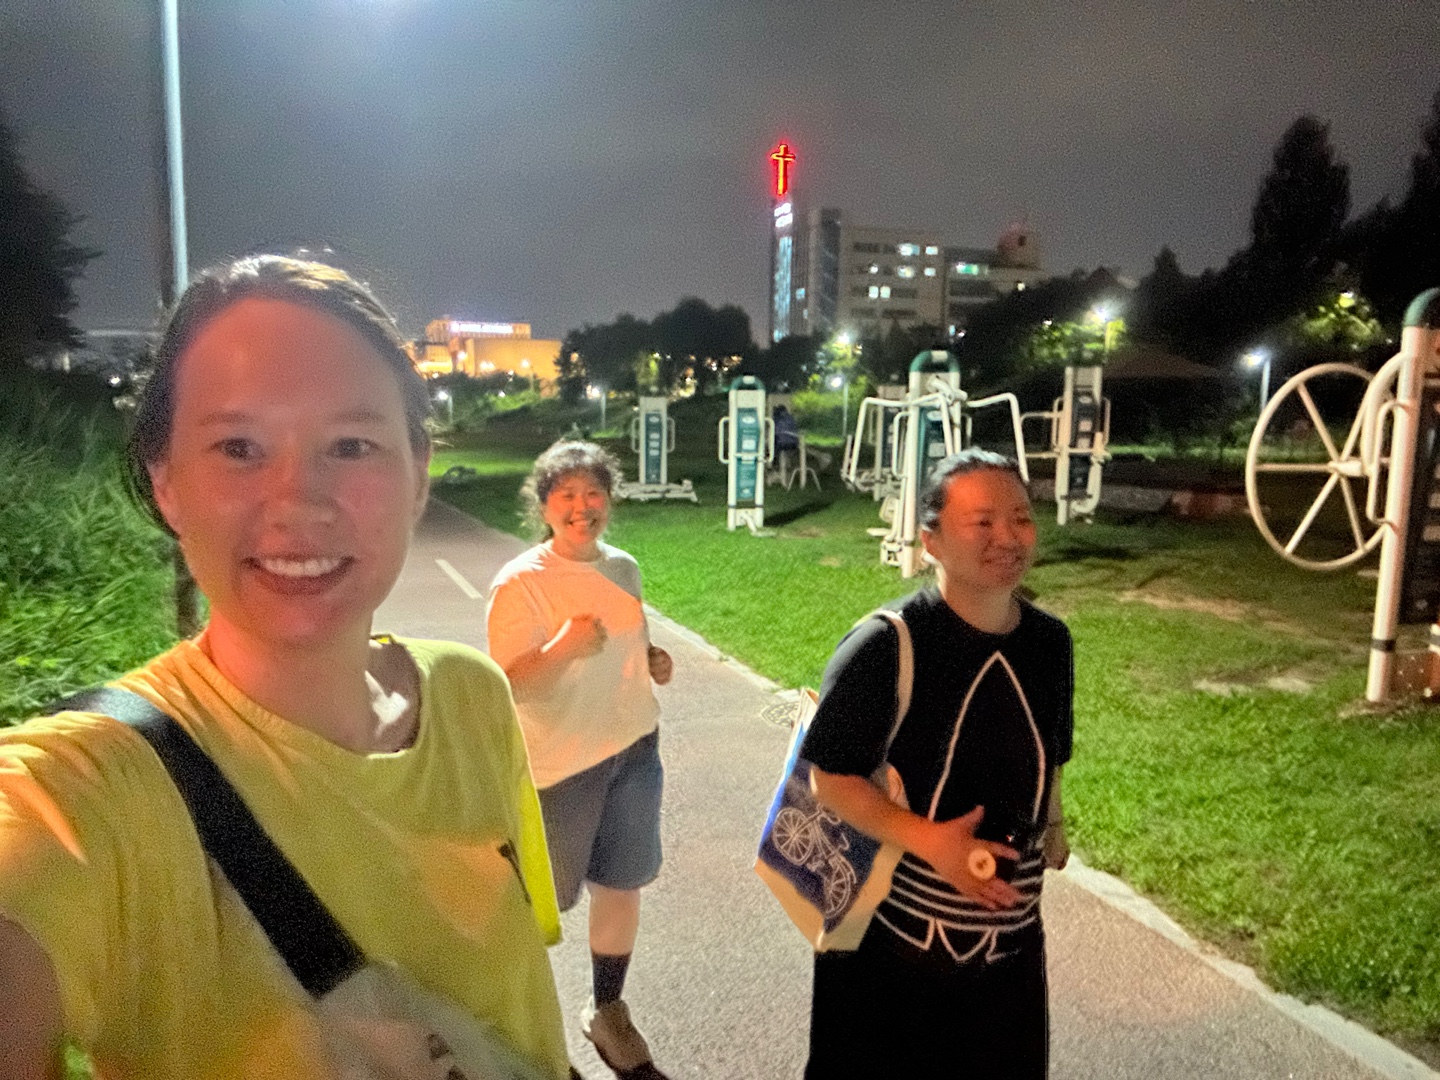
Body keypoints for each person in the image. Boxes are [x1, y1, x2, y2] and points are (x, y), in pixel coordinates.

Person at [0, 255, 572, 1079]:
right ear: (167, 484)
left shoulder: (470, 694)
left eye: (351, 445)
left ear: (418, 476)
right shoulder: (92, 789)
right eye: (238, 447)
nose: (299, 502)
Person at [800, 448, 1073, 1079]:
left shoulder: (1050, 642)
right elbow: (830, 777)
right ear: (931, 542)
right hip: (892, 953)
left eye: (1021, 519)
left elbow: (1051, 752)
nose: (1008, 537)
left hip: (1010, 949)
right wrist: (933, 843)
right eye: (982, 522)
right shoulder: (886, 643)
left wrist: (1054, 824)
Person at [486, 442, 673, 1080]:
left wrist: (651, 658)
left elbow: (629, 637)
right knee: (539, 906)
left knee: (622, 885)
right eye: (566, 495)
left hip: (634, 749)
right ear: (544, 506)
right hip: (561, 768)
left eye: (593, 493)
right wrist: (562, 649)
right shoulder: (521, 582)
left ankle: (607, 1009)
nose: (581, 507)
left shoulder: (623, 567)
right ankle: (524, 1025)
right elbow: (507, 683)